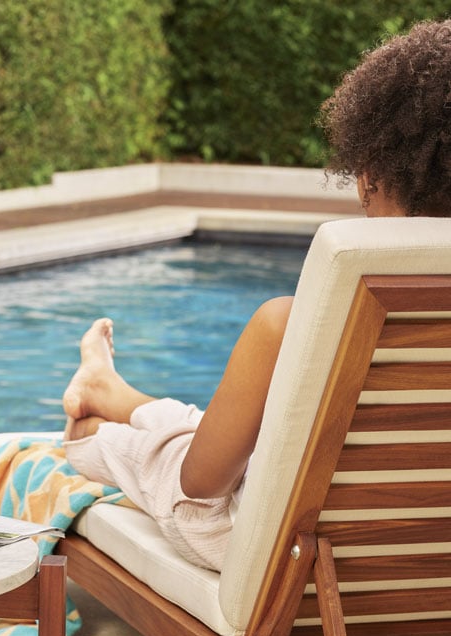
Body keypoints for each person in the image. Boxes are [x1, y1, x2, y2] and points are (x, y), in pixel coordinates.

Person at [60, 19, 451, 571]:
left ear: (368, 177)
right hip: (429, 552)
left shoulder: (296, 326)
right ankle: (112, 389)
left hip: (284, 555)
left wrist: (109, 445)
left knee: (163, 459)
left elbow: (200, 487)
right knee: (242, 430)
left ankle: (97, 420)